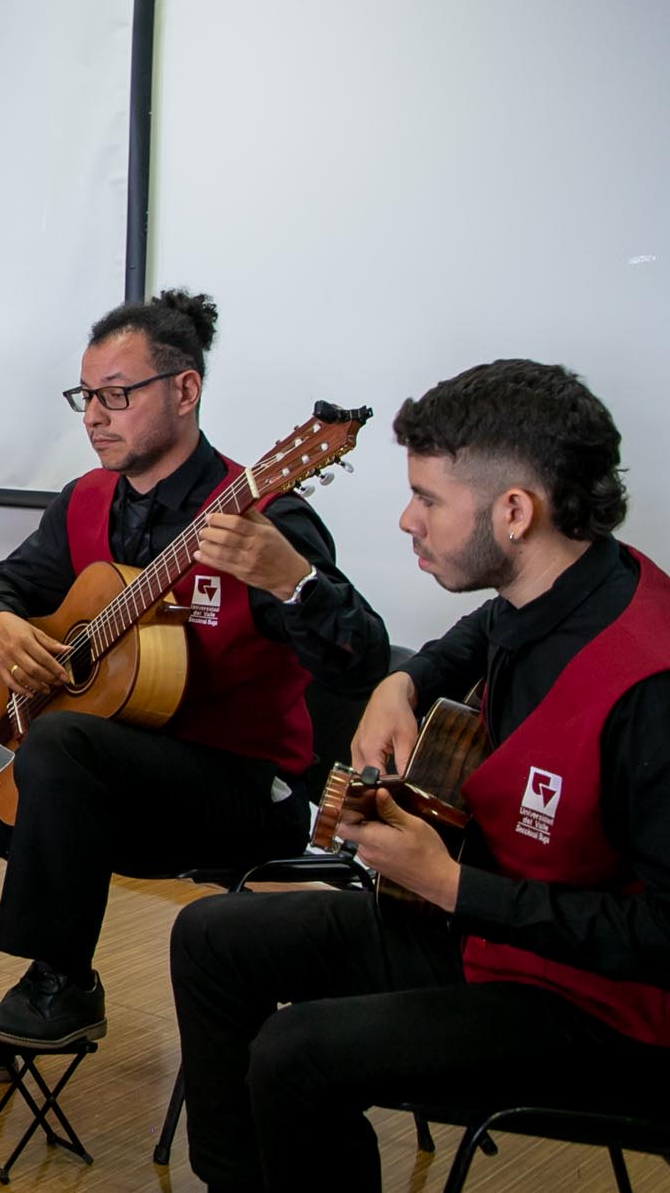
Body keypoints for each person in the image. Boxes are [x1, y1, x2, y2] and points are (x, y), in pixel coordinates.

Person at [0, 290, 389, 1078]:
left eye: (117, 393)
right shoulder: (86, 500)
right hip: (102, 793)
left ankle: (61, 982)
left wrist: (297, 580)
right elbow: (1, 585)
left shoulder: (265, 515)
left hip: (237, 791)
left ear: (185, 390)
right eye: (87, 397)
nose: (96, 416)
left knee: (67, 740)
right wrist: (0, 624)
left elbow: (362, 659)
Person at [170, 359, 670, 1193]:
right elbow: (478, 636)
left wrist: (448, 884)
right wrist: (399, 682)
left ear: (515, 512)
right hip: (488, 936)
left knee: (297, 1055)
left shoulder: (650, 687)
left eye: (429, 499)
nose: (408, 519)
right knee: (213, 935)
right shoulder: (562, 581)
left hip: (604, 1014)